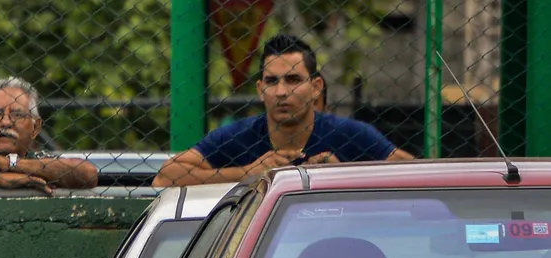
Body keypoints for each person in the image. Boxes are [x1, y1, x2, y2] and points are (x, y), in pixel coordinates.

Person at [153, 35, 413, 188]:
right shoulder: (237, 136)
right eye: (272, 81)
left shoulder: (348, 133)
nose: (281, 92)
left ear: (315, 87)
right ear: (259, 89)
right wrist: (246, 174)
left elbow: (412, 173)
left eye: (293, 80)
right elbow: (165, 177)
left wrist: (341, 176)